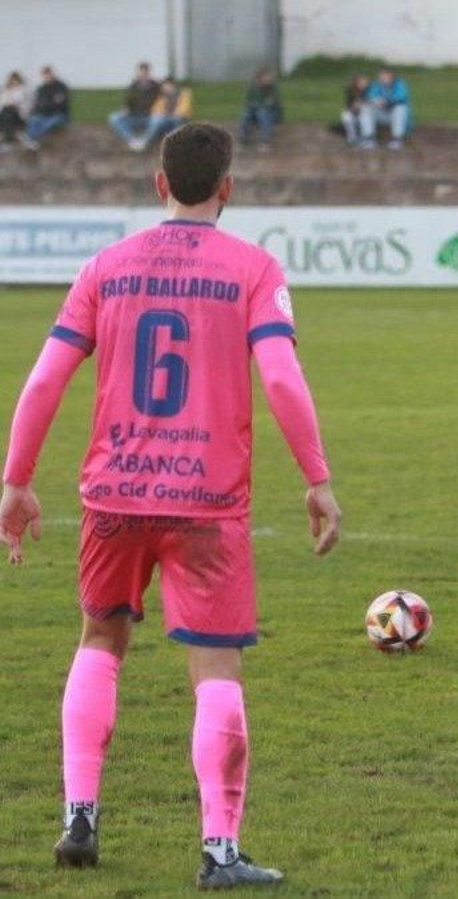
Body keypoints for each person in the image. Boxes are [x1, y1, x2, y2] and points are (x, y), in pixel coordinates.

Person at [0, 122, 341, 887]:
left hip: (114, 493)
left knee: (99, 641)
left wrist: (16, 480)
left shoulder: (106, 266)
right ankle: (219, 851)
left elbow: (45, 378)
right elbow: (282, 379)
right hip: (207, 501)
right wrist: (316, 477)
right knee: (215, 666)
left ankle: (79, 814)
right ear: (228, 187)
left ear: (160, 183)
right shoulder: (252, 267)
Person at [107, 62, 159, 151]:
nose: (143, 75)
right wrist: (125, 109)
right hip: (134, 116)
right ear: (137, 73)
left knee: (158, 120)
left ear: (149, 73)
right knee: (114, 117)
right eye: (141, 72)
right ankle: (132, 140)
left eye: (145, 73)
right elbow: (127, 103)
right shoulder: (132, 87)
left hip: (150, 117)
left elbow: (162, 102)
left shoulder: (156, 87)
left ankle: (145, 141)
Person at [359, 68, 411, 150]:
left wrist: (387, 101)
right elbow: (369, 97)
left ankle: (397, 139)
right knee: (365, 108)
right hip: (383, 114)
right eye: (380, 75)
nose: (381, 78)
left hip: (397, 116)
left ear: (391, 76)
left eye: (384, 75)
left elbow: (401, 97)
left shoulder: (400, 85)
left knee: (401, 108)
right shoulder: (376, 86)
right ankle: (369, 138)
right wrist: (376, 101)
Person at [23, 65, 70, 150]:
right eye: (45, 75)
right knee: (33, 120)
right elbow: (38, 103)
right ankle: (32, 142)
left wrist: (47, 104)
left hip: (59, 114)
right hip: (43, 113)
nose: (48, 77)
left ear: (53, 74)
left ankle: (30, 139)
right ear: (43, 76)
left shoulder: (61, 86)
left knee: (48, 123)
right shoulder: (41, 88)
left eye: (49, 74)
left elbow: (61, 103)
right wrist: (50, 103)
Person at [142, 77, 192, 149]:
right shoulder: (162, 96)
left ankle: (179, 144)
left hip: (181, 119)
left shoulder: (184, 93)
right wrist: (161, 114)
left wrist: (170, 114)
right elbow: (155, 109)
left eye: (166, 86)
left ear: (172, 85)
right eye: (163, 86)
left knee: (176, 119)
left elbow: (183, 109)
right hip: (166, 119)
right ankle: (145, 141)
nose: (164, 88)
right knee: (155, 119)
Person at [238, 68, 281, 148]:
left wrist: (258, 105)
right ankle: (243, 139)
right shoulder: (253, 88)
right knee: (245, 115)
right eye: (265, 77)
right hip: (255, 113)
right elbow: (248, 102)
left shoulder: (272, 89)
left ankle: (266, 140)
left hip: (271, 114)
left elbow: (271, 104)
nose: (268, 79)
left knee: (262, 114)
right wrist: (254, 106)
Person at [337, 74, 369, 145]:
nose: (364, 84)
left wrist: (361, 104)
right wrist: (353, 108)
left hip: (366, 112)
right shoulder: (351, 92)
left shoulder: (369, 91)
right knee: (346, 116)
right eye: (361, 83)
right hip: (354, 112)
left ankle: (365, 137)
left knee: (364, 115)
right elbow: (349, 105)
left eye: (365, 83)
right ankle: (352, 137)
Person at [0, 71, 28, 149]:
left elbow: (19, 101)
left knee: (8, 115)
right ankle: (4, 138)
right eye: (12, 80)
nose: (14, 82)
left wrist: (11, 101)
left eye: (16, 80)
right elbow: (3, 101)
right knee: (4, 114)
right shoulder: (6, 90)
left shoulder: (22, 89)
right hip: (6, 110)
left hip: (17, 112)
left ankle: (9, 140)